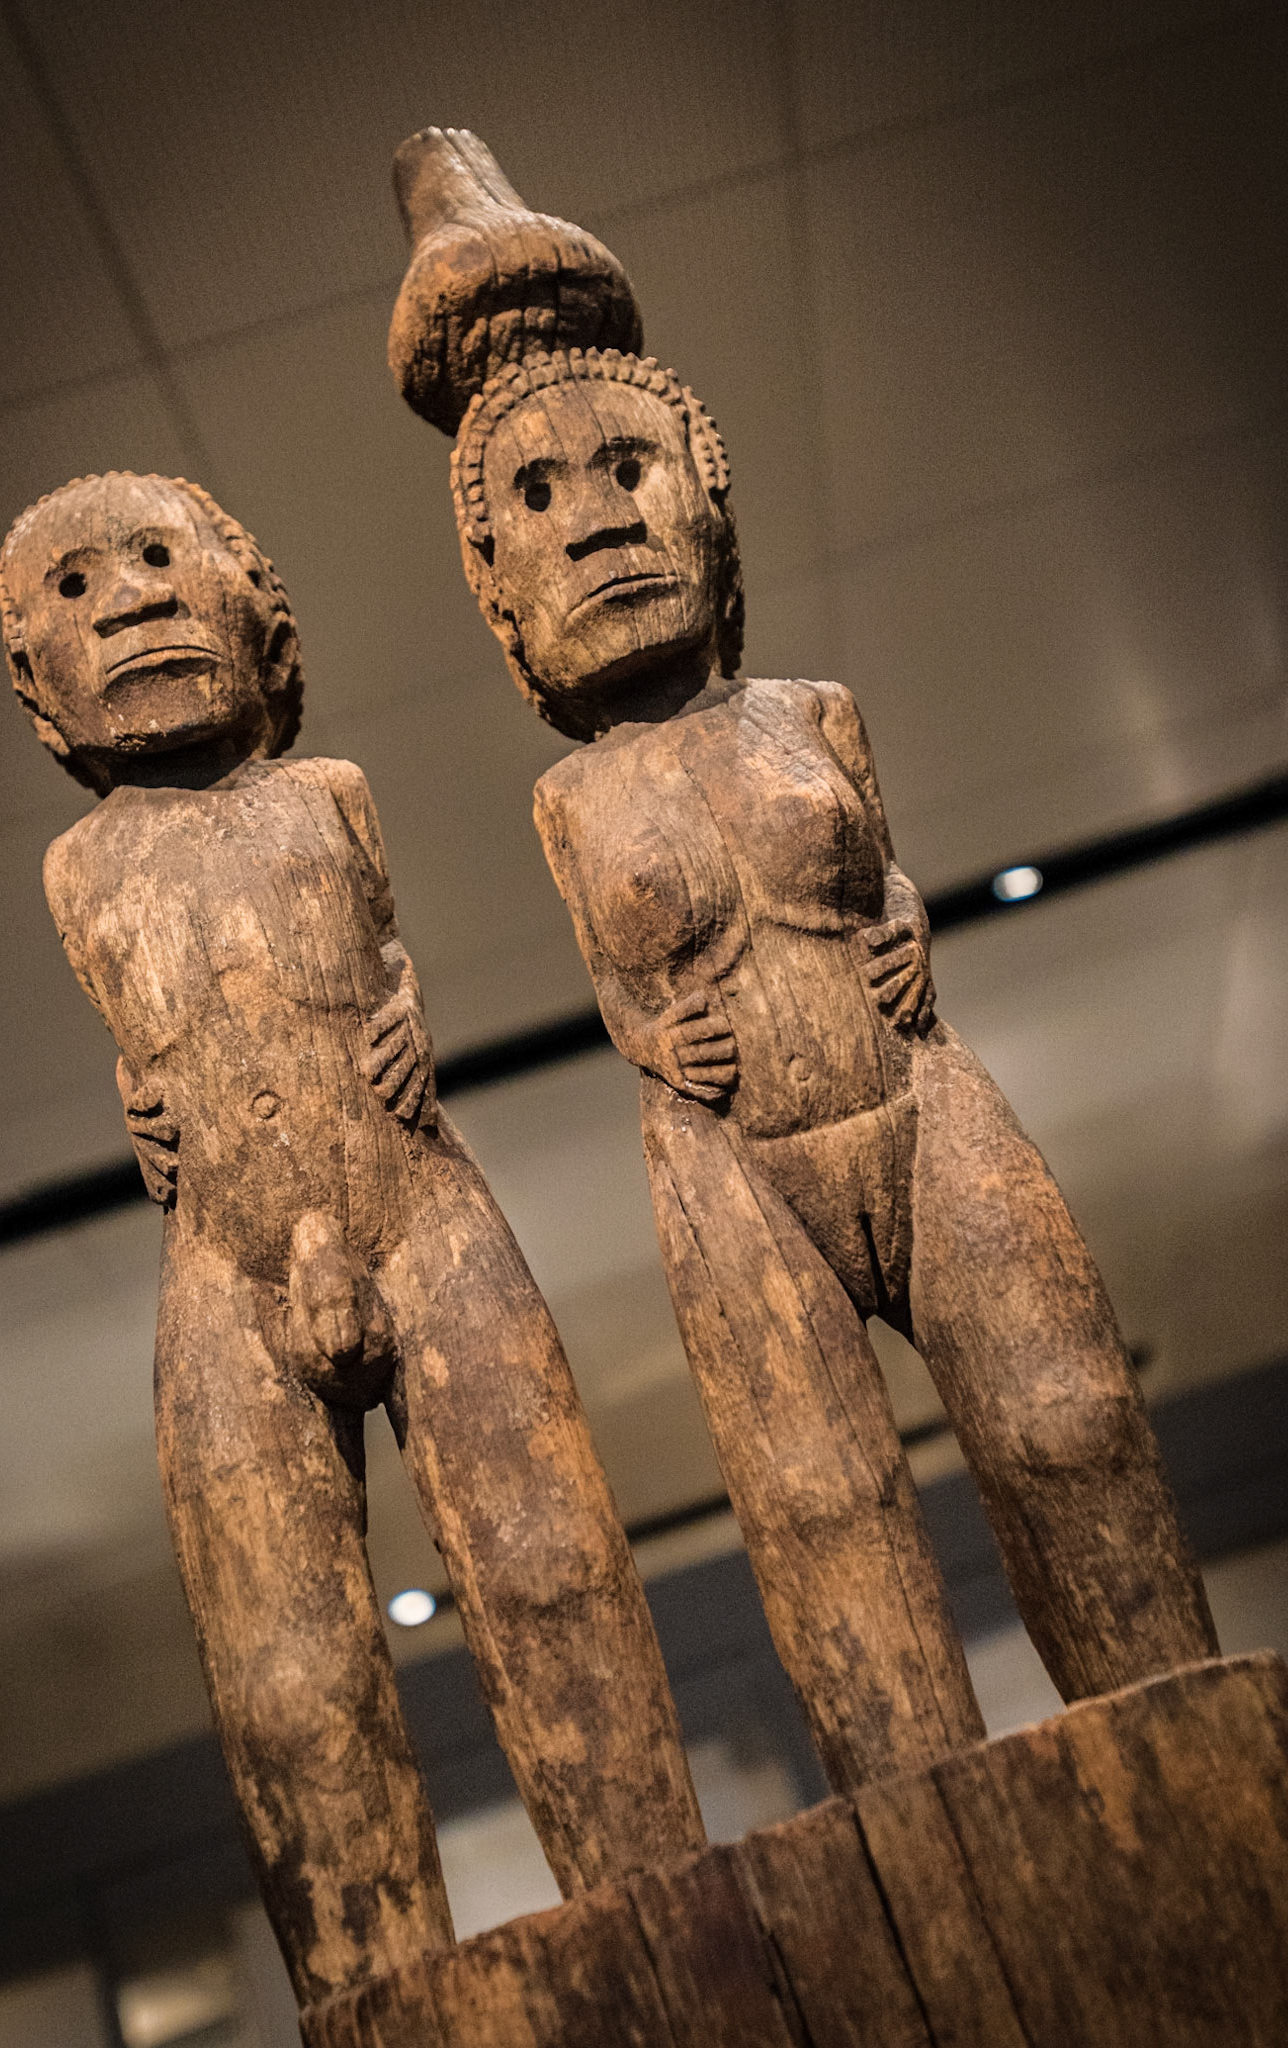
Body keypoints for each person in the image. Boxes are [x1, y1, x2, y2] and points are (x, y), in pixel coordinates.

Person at [446, 344, 1219, 1793]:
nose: (596, 521)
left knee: (1070, 1422)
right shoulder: (570, 797)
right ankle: (928, 1833)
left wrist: (909, 922)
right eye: (538, 496)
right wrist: (651, 1036)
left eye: (629, 469)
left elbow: (884, 872)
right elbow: (619, 980)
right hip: (735, 1166)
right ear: (502, 593)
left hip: (915, 1096)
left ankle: (1199, 1765)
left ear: (708, 510)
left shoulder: (811, 711)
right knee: (824, 1511)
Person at [0, 470, 703, 2005]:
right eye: (76, 589)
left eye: (161, 557)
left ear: (262, 620)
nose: (130, 599)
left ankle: (667, 1930)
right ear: (38, 695)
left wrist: (400, 1011)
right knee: (291, 1684)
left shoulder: (329, 796)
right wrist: (143, 1102)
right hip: (225, 1270)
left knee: (554, 1578)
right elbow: (154, 1028)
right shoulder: (79, 867)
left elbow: (372, 954)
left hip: (415, 1208)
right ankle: (380, 2002)